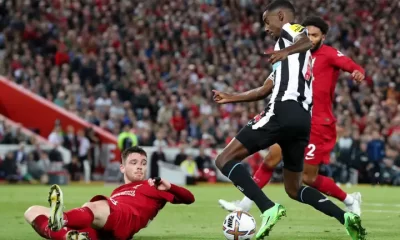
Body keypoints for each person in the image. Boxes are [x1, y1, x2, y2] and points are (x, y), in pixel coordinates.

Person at [211, 1, 366, 239]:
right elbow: (264, 90)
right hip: (303, 121)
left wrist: (284, 51)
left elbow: (303, 39)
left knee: (223, 159)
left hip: (282, 112)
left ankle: (268, 208)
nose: (265, 28)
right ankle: (344, 217)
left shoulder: (292, 32)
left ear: (281, 16)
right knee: (294, 188)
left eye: (266, 21)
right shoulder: (296, 60)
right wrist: (231, 97)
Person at [24, 146, 195, 240]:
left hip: (126, 219)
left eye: (143, 163)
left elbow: (189, 199)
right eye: (134, 162)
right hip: (105, 227)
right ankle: (68, 236)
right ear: (122, 168)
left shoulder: (154, 186)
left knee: (96, 205)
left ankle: (62, 220)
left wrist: (171, 186)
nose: (139, 166)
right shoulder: (117, 191)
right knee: (32, 211)